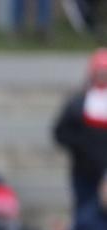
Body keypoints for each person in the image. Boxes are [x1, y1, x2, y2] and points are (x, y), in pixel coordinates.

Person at [53, 48, 107, 215]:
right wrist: (83, 144)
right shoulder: (78, 102)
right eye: (100, 73)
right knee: (85, 215)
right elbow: (60, 132)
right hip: (85, 172)